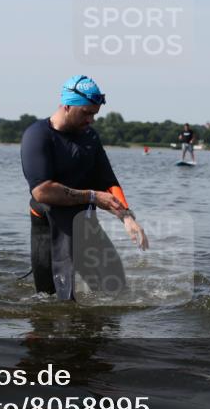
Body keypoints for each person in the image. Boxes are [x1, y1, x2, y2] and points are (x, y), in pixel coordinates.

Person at [20, 75, 148, 300]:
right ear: (67, 106)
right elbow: (42, 191)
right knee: (54, 297)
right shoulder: (38, 136)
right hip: (50, 222)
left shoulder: (89, 136)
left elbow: (108, 181)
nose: (91, 120)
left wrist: (126, 217)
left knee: (116, 286)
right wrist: (93, 197)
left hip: (84, 219)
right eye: (86, 113)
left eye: (94, 114)